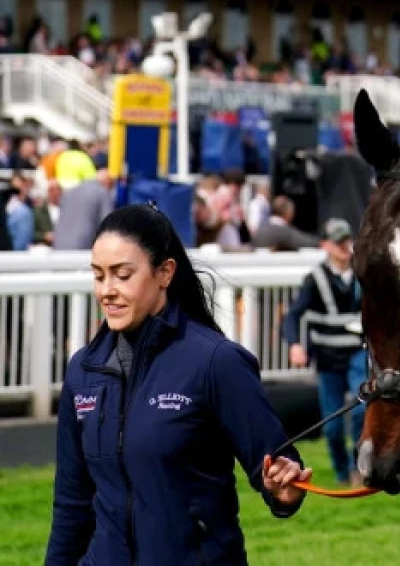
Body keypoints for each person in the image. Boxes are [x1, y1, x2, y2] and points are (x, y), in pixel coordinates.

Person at [46, 203, 312, 564]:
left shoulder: (217, 362)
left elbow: (279, 471)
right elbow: (71, 505)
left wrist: (284, 491)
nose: (107, 290)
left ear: (165, 272)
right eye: (98, 275)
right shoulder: (83, 370)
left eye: (122, 275)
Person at [284, 218, 367, 487]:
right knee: (332, 427)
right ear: (325, 246)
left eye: (347, 240)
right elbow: (293, 315)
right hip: (328, 359)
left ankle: (358, 469)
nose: (345, 246)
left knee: (359, 411)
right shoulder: (315, 279)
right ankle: (342, 475)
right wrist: (295, 344)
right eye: (339, 241)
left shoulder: (362, 273)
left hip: (357, 353)